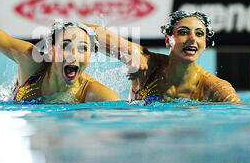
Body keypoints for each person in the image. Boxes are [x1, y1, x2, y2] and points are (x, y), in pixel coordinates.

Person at [0, 17, 121, 103]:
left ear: (90, 58)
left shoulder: (93, 93)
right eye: (65, 46)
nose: (73, 54)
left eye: (83, 48)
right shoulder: (30, 60)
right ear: (51, 50)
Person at [85, 11, 241, 103]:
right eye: (183, 32)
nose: (192, 39)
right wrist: (131, 51)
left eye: (199, 34)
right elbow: (91, 32)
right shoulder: (147, 64)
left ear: (205, 43)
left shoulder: (215, 89)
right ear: (168, 40)